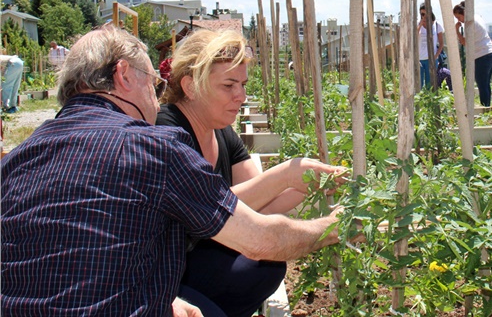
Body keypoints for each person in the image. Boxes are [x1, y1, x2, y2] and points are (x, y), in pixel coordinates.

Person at [1, 25, 346, 316]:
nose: (156, 95)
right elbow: (261, 240)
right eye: (152, 82)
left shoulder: (17, 158)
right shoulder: (152, 146)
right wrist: (338, 226)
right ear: (122, 75)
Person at [155, 28, 345, 317]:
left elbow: (256, 206)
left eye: (243, 84)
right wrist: (284, 174)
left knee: (264, 267)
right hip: (163, 277)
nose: (241, 96)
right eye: (229, 85)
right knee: (256, 258)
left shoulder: (221, 132)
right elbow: (206, 212)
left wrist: (305, 185)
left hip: (197, 261)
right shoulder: (167, 133)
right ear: (191, 86)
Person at [453, 1, 492, 107]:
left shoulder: (470, 24)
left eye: (458, 17)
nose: (458, 20)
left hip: (482, 55)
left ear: (463, 13)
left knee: (482, 84)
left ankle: (485, 107)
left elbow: (464, 43)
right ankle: (487, 105)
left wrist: (457, 31)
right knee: (486, 83)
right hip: (491, 52)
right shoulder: (477, 17)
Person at [417, 3, 445, 89]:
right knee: (419, 84)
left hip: (431, 59)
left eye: (426, 13)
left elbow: (441, 44)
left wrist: (436, 56)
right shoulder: (418, 24)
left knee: (431, 85)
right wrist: (420, 25)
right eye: (422, 14)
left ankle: (431, 102)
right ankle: (420, 102)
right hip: (420, 59)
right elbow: (413, 37)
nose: (424, 16)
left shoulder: (437, 25)